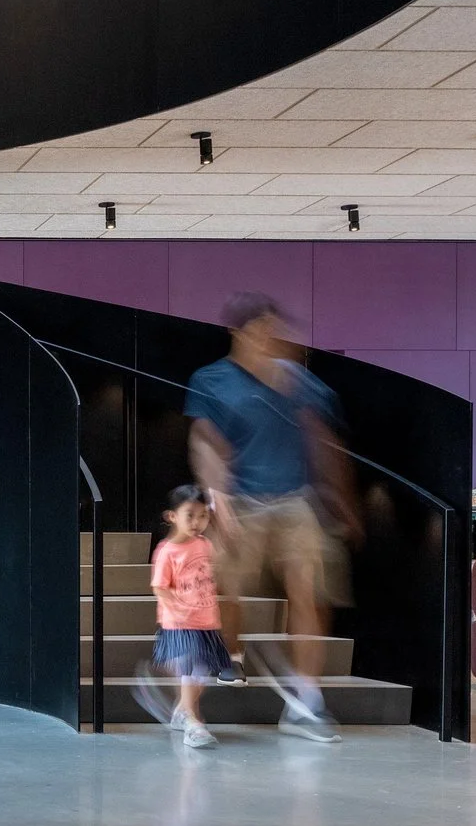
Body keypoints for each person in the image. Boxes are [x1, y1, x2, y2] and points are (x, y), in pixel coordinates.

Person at [185, 291, 358, 743]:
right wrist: (218, 501)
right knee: (225, 587)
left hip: (293, 499)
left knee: (310, 587)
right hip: (240, 498)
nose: (271, 337)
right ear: (238, 333)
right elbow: (205, 444)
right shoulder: (213, 379)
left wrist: (340, 497)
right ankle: (229, 655)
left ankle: (305, 703)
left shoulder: (296, 381)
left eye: (274, 329)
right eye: (260, 329)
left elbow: (323, 438)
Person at [148, 484, 228, 749]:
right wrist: (176, 607)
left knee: (201, 675)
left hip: (206, 621)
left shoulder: (204, 545)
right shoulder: (167, 551)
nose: (197, 522)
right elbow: (159, 587)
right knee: (189, 671)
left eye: (203, 516)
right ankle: (193, 723)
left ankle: (181, 712)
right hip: (180, 625)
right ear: (172, 516)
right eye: (190, 515)